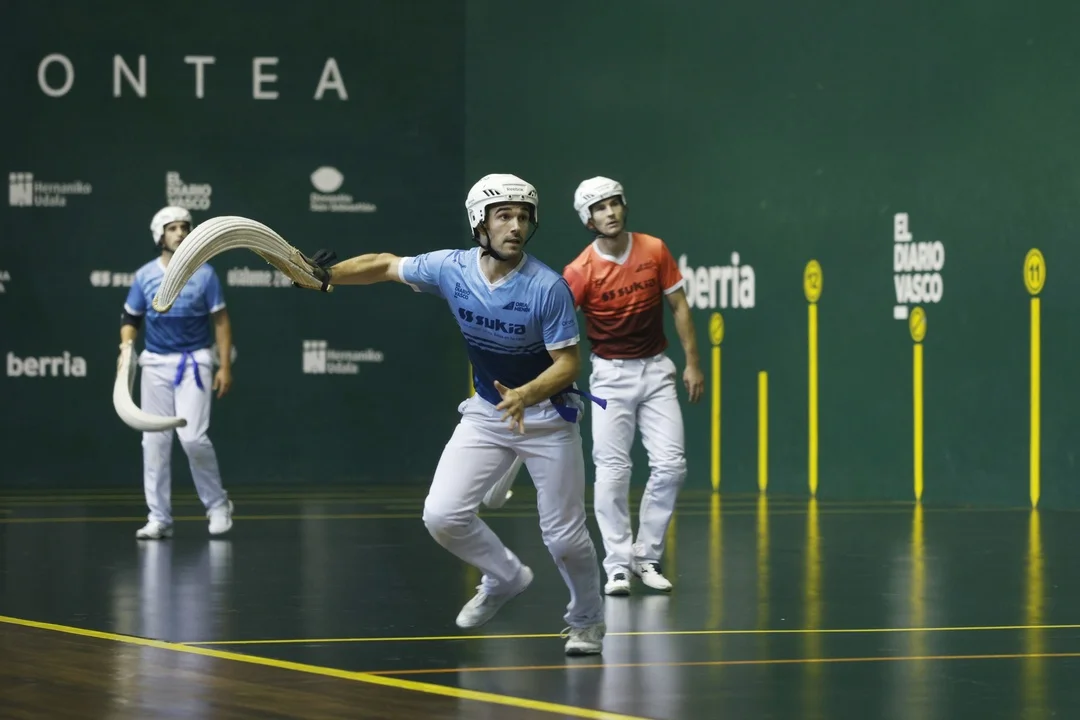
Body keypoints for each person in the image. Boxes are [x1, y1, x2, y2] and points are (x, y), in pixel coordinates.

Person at [297, 174, 607, 656]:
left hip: (548, 418)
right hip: (488, 412)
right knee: (442, 516)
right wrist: (327, 276)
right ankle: (504, 576)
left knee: (564, 539)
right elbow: (385, 265)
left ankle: (587, 621)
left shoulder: (548, 288)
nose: (516, 226)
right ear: (479, 222)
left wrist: (526, 394)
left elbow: (568, 364)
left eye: (523, 217)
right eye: (504, 216)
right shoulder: (451, 268)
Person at [562, 176, 704, 596]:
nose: (609, 212)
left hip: (657, 371)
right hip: (610, 376)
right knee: (612, 471)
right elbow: (558, 326)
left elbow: (679, 306)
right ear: (588, 220)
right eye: (599, 208)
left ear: (623, 206)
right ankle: (618, 565)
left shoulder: (654, 249)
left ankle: (647, 556)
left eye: (614, 203)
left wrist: (693, 363)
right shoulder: (579, 271)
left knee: (672, 466)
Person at [120, 206, 235, 540]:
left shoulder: (206, 274)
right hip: (155, 365)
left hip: (195, 361)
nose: (181, 233)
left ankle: (218, 505)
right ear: (160, 235)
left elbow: (221, 321)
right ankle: (159, 518)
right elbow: (130, 319)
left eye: (185, 227)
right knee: (154, 442)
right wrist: (126, 348)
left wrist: (225, 366)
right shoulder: (145, 275)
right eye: (172, 228)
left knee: (193, 438)